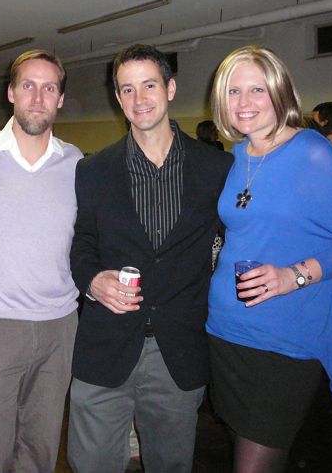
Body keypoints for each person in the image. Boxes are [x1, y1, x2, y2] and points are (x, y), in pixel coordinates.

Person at [206, 46, 332, 473]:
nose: (243, 103)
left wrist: (294, 275)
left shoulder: (311, 151)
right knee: (245, 446)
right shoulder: (240, 155)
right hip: (226, 329)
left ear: (280, 93)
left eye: (257, 90)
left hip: (285, 337)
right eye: (233, 91)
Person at [68, 44, 232, 473]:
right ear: (117, 98)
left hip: (178, 351)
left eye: (149, 86)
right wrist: (92, 280)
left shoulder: (216, 168)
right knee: (91, 464)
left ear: (170, 89)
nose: (139, 99)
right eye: (127, 89)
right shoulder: (93, 170)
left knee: (170, 464)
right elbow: (82, 241)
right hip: (105, 344)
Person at [0, 50, 82, 473]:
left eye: (49, 88)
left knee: (40, 451)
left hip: (59, 328)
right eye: (28, 85)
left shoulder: (77, 164)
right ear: (11, 92)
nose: (38, 97)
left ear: (60, 99)